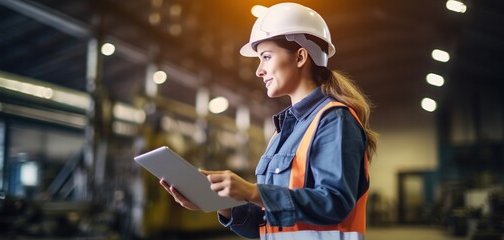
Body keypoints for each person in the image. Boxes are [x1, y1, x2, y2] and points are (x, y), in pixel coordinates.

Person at [160, 2, 377, 239]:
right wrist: (218, 203)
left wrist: (254, 192)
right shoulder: (281, 133)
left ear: (300, 56)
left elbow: (334, 203)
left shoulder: (334, 119)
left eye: (266, 57)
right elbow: (266, 225)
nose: (259, 70)